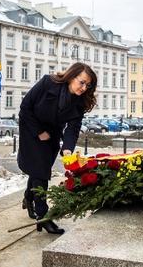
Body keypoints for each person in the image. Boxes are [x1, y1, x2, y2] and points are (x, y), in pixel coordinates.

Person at [17, 62, 97, 234]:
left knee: (40, 169)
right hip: (31, 129)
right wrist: (39, 132)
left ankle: (28, 197)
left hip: (52, 134)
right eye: (81, 82)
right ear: (71, 76)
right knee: (41, 172)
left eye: (87, 85)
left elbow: (73, 128)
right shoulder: (48, 83)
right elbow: (25, 108)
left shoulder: (80, 101)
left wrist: (67, 148)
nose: (84, 88)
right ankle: (43, 216)